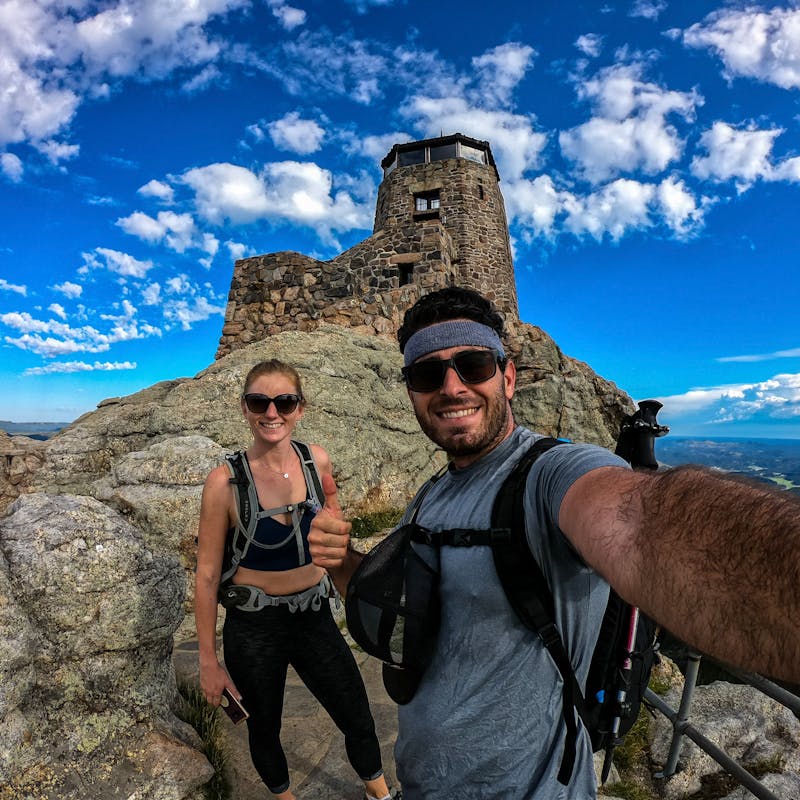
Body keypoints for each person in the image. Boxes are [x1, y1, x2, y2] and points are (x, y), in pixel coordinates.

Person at [308, 287, 800, 800]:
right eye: (427, 374)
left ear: (509, 377)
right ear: (410, 390)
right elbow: (402, 612)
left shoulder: (550, 475)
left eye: (473, 365)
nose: (451, 388)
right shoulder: (431, 495)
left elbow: (642, 522)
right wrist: (340, 560)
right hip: (422, 779)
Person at [195, 359, 396, 800]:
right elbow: (207, 575)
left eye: (285, 402)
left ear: (300, 408)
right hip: (253, 629)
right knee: (264, 728)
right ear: (244, 409)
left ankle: (379, 793)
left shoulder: (316, 462)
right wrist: (208, 663)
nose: (272, 413)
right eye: (259, 402)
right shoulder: (224, 483)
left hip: (314, 616)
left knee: (358, 715)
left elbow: (332, 537)